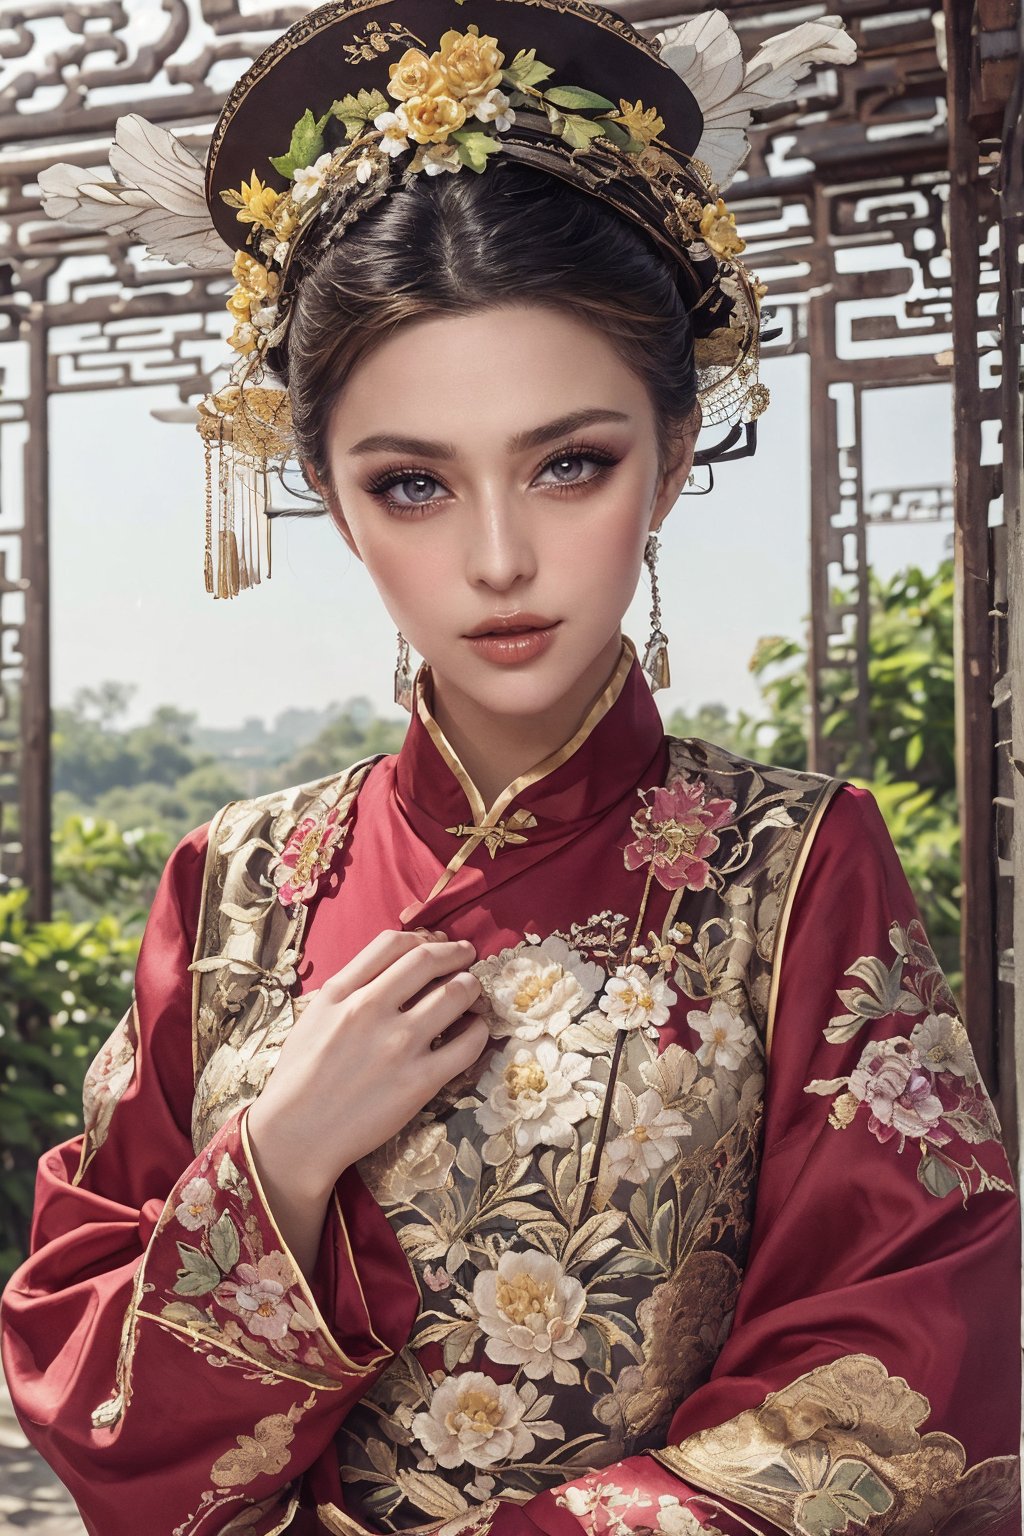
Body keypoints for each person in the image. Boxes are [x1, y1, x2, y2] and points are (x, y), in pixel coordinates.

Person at [2, 2, 1020, 1533]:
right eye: (411, 483)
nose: (496, 558)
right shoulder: (235, 887)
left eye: (571, 463)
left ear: (675, 458)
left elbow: (908, 1363)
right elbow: (87, 1391)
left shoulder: (801, 866)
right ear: (334, 506)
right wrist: (275, 1164)